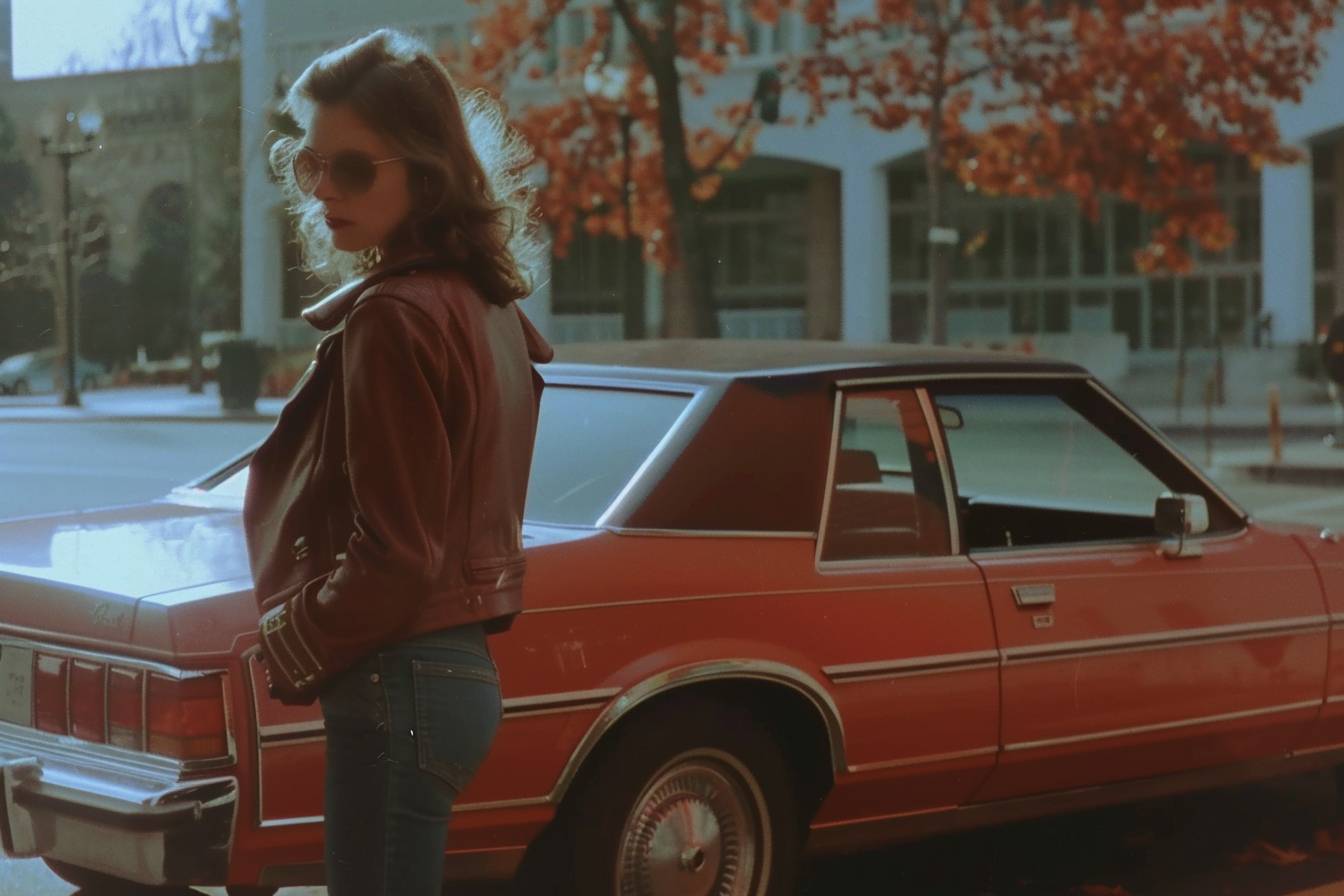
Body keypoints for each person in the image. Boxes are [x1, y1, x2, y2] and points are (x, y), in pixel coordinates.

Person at [239, 29, 553, 896]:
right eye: (312, 165)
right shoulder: (484, 301)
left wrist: (294, 634)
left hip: (398, 678)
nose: (326, 189)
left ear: (425, 171)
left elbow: (397, 551)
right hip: (450, 674)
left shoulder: (394, 317)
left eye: (355, 168)